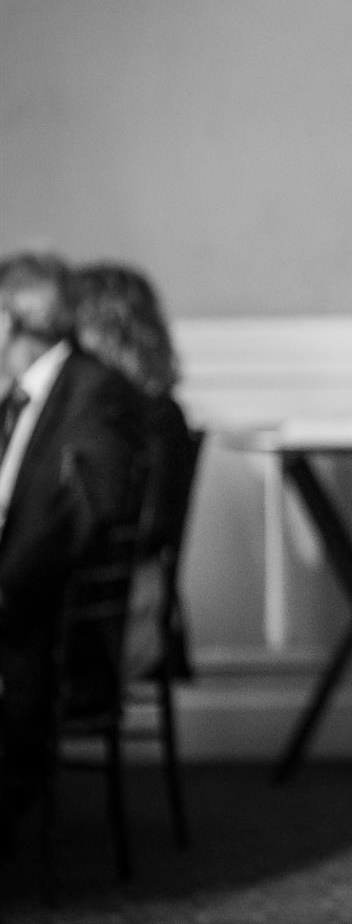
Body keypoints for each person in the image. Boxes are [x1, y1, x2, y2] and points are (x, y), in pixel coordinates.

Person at [0, 251, 144, 835]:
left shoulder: (96, 391)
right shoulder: (18, 397)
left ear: (10, 321)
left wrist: (4, 589)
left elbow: (79, 518)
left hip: (43, 615)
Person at [70, 261, 198, 683]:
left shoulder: (154, 418)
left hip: (115, 606)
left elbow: (145, 531)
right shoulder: (97, 415)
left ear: (105, 331)